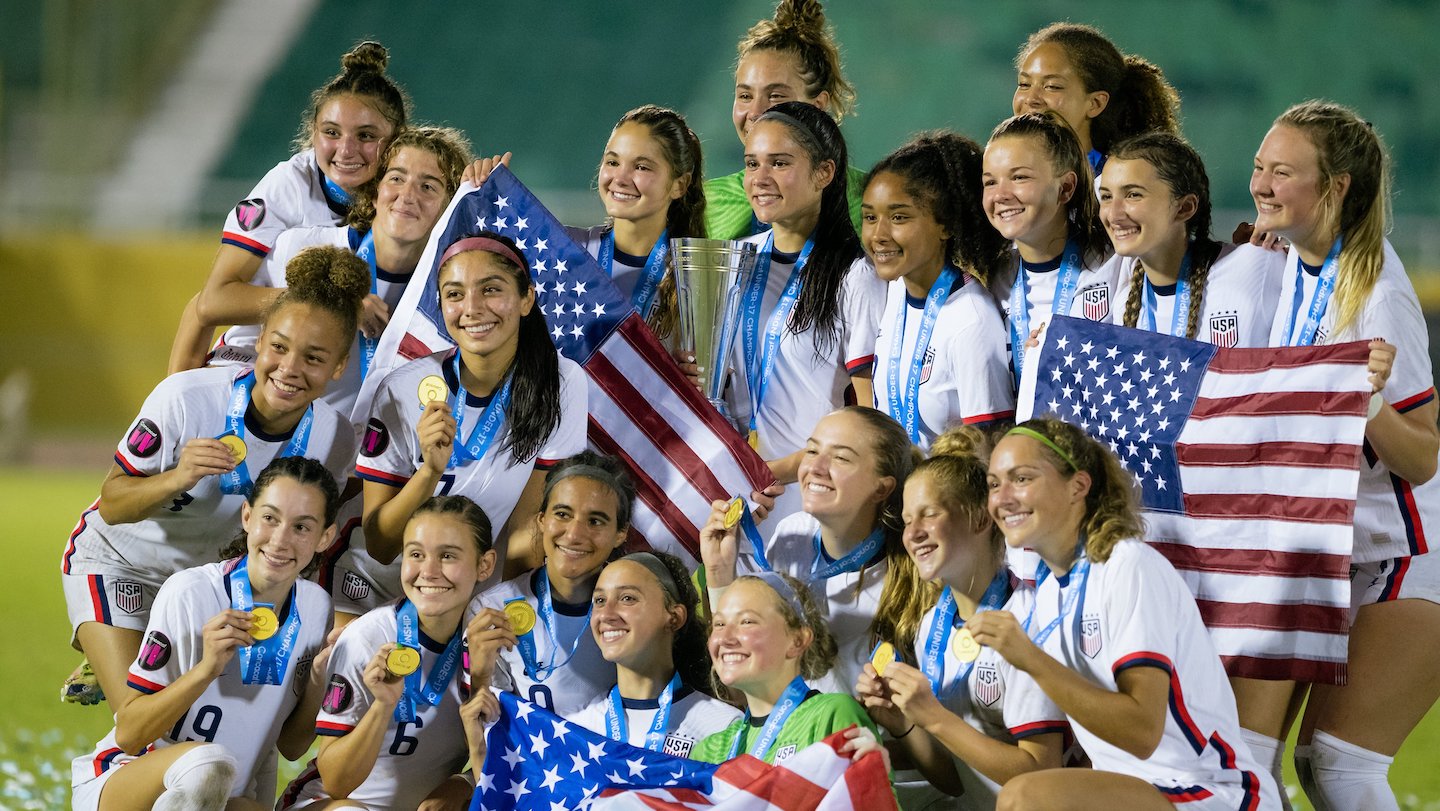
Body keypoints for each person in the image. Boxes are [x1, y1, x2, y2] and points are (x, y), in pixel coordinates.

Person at [62, 247, 367, 712]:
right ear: (260, 341)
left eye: (314, 358)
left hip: (209, 588)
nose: (289, 369)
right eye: (279, 347)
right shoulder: (187, 398)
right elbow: (112, 504)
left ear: (339, 367)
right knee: (140, 720)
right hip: (121, 561)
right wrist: (176, 477)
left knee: (206, 724)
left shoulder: (334, 438)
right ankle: (122, 636)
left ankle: (138, 641)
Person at [1254, 101, 1440, 811]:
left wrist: (1362, 403)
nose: (1263, 184)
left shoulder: (1382, 295)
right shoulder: (1291, 263)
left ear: (1336, 189)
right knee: (1296, 757)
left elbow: (1422, 456)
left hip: (1407, 550)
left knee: (1339, 764)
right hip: (1335, 547)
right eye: (1260, 167)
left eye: (1283, 172)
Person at [974, 419, 1280, 810]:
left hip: (1207, 791)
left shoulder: (1128, 565)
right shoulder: (1048, 592)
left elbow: (1142, 733)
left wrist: (1029, 659)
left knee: (1025, 798)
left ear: (1078, 486)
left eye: (1021, 478)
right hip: (1138, 790)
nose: (1002, 498)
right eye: (994, 484)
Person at [70, 457, 341, 811]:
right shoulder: (191, 592)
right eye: (270, 518)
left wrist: (318, 683)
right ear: (247, 516)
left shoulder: (316, 607)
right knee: (208, 766)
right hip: (131, 780)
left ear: (326, 538)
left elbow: (291, 745)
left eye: (302, 527)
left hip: (225, 797)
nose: (280, 540)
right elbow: (130, 733)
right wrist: (206, 669)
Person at [355, 231, 586, 587]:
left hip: (475, 592)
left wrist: (494, 608)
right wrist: (429, 472)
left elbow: (530, 533)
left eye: (491, 289)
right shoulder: (400, 388)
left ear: (526, 299)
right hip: (384, 588)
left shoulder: (561, 382)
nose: (472, 308)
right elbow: (380, 546)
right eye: (454, 294)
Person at [170, 41, 410, 373]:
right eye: (331, 132)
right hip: (254, 364)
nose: (346, 150)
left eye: (366, 135)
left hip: (339, 377)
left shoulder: (411, 194)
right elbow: (213, 301)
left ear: (398, 137)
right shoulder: (290, 185)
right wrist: (337, 306)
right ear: (313, 132)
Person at [858, 427, 1066, 809]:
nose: (913, 533)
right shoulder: (930, 627)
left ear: (980, 519)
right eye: (907, 521)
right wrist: (901, 723)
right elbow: (957, 780)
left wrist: (935, 718)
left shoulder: (1029, 619)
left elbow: (1041, 774)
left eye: (929, 514)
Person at [209, 126, 473, 417]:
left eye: (428, 186)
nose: (408, 195)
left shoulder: (447, 290)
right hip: (266, 433)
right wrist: (332, 304)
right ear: (374, 193)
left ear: (450, 207)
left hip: (364, 453)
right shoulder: (301, 247)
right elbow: (215, 321)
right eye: (396, 178)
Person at [278, 496, 498, 811]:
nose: (429, 571)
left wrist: (464, 782)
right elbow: (337, 782)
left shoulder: (489, 642)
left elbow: (507, 762)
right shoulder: (368, 638)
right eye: (416, 554)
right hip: (335, 803)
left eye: (447, 555)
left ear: (485, 565)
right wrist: (383, 706)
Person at [726, 101, 886, 530]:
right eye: (751, 163)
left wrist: (772, 471)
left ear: (824, 173)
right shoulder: (735, 263)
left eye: (779, 163)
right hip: (732, 498)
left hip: (810, 502)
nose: (759, 179)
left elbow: (869, 421)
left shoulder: (857, 276)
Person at [700, 406, 913, 694]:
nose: (816, 468)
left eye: (840, 457)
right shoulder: (793, 533)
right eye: (811, 452)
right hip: (788, 732)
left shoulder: (909, 571)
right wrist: (718, 571)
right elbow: (742, 680)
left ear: (882, 488)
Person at [862, 132, 1014, 451]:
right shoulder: (896, 292)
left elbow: (984, 455)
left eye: (899, 217)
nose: (878, 234)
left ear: (945, 225)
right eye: (870, 217)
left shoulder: (971, 320)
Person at [466, 451, 632, 718]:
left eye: (595, 521)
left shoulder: (637, 611)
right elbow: (487, 727)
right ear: (542, 519)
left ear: (620, 533)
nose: (575, 534)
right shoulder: (491, 608)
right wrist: (480, 675)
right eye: (563, 514)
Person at [1102, 131, 1281, 346]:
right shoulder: (1125, 302)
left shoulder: (1255, 264)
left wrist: (1291, 235)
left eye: (1133, 195)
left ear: (1185, 208)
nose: (1113, 214)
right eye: (1106, 197)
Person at [705, 0, 865, 240]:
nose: (756, 112)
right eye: (745, 96)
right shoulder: (707, 203)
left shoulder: (872, 201)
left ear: (818, 106)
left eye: (776, 96)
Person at [690, 570, 880, 766]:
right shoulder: (709, 752)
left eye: (747, 621)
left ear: (797, 641)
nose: (725, 638)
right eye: (719, 624)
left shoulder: (831, 716)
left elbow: (871, 796)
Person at [983, 111, 1116, 389]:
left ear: (1065, 188)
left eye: (1019, 177)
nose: (1000, 194)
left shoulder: (1113, 267)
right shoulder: (988, 279)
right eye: (990, 182)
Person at [569, 550, 741, 757]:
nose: (606, 614)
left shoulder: (722, 726)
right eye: (599, 600)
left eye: (627, 598)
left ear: (674, 617)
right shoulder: (575, 732)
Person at [566, 105, 705, 341]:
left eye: (641, 167)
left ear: (679, 185)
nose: (620, 178)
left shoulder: (699, 277)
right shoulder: (565, 248)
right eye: (612, 162)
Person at [1011, 23, 1180, 176]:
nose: (1031, 99)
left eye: (1052, 86)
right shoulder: (997, 180)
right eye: (1024, 84)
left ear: (1095, 103)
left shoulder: (1118, 188)